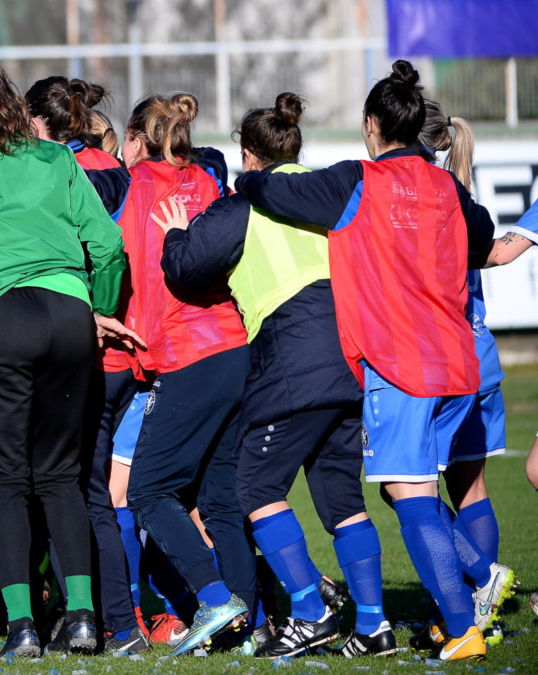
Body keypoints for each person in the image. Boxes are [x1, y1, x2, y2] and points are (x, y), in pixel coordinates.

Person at [235, 60, 496, 662]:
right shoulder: (446, 185)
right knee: (420, 491)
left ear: (371, 124)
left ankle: (466, 620)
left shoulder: (357, 180)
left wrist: (247, 181)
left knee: (409, 494)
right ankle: (475, 593)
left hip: (400, 364)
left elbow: (277, 189)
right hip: (459, 360)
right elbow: (480, 238)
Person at [158, 93, 395, 658]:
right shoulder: (325, 195)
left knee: (255, 488)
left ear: (247, 155)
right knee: (342, 501)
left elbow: (187, 268)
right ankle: (375, 624)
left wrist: (175, 232)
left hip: (293, 355)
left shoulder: (247, 201)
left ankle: (311, 612)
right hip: (349, 358)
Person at [0, 47, 136, 658]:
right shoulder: (54, 158)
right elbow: (109, 247)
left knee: (4, 480)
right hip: (69, 312)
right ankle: (85, 619)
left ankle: (21, 628)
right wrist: (100, 310)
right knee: (64, 478)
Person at [88, 91, 257, 656]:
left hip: (188, 357)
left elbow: (124, 270)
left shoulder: (135, 190)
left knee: (149, 490)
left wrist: (117, 337)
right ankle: (247, 625)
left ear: (135, 140)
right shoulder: (207, 182)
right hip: (235, 347)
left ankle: (213, 599)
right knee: (219, 499)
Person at [24, 75, 149, 653]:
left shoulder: (62, 173)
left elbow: (101, 254)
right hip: (138, 351)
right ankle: (121, 616)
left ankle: (115, 623)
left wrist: (93, 314)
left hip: (92, 350)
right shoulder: (120, 168)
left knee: (77, 489)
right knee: (108, 492)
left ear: (37, 123)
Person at [412, 99, 516, 648]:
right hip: (480, 357)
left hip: (437, 360)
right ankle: (481, 607)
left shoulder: (415, 192)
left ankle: (476, 581)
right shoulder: (460, 193)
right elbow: (494, 253)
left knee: (405, 488)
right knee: (469, 486)